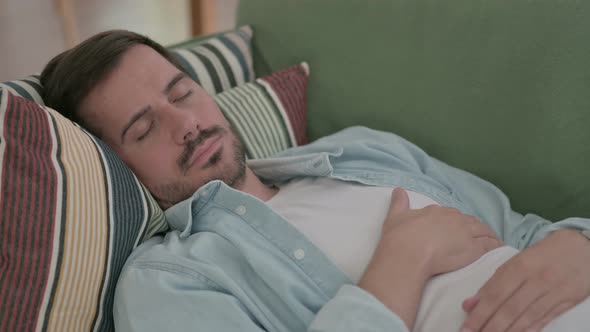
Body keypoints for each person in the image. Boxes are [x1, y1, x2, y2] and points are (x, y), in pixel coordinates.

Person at [40, 30, 590, 332]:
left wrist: (577, 243)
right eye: (144, 128)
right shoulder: (167, 281)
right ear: (114, 165)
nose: (185, 124)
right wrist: (406, 257)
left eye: (181, 92)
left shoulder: (362, 150)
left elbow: (526, 231)